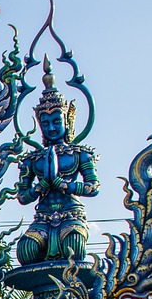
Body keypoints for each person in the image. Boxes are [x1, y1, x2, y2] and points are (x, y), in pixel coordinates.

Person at [14, 60, 99, 266]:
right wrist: (38, 188)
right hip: (43, 217)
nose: (51, 127)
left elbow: (93, 186)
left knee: (74, 248)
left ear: (67, 121)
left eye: (56, 121)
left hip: (71, 213)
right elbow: (22, 196)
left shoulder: (80, 154)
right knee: (26, 251)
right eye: (46, 123)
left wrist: (67, 186)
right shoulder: (33, 159)